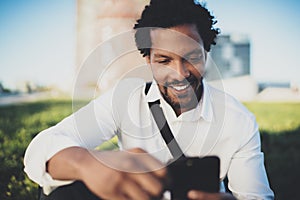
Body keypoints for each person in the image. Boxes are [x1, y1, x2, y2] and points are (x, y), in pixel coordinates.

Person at [24, 0, 274, 199]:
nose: (180, 74)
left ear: (206, 53)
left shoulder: (238, 120)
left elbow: (256, 196)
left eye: (192, 58)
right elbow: (41, 149)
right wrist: (87, 164)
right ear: (148, 61)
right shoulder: (126, 98)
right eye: (164, 60)